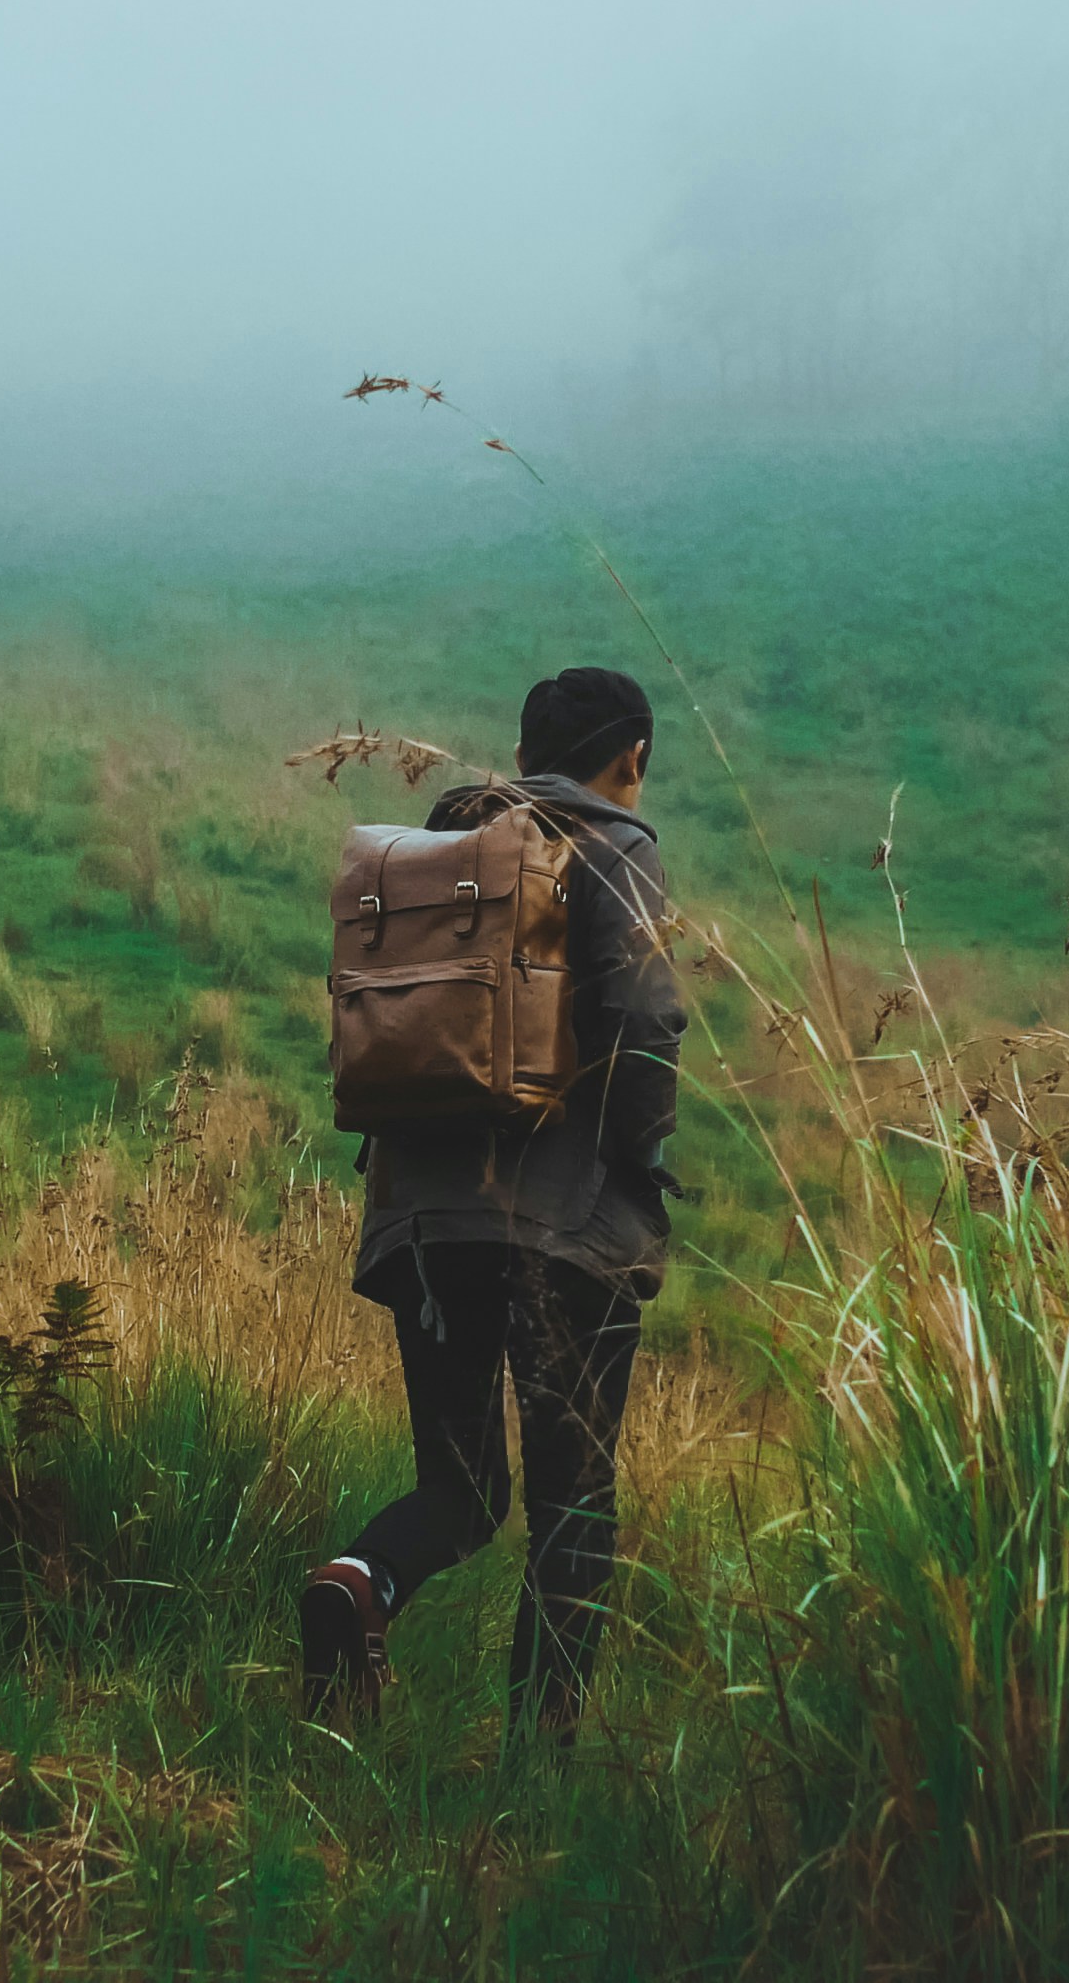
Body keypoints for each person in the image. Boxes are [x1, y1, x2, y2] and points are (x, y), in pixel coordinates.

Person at [300, 665, 687, 1738]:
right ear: (634, 758)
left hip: (421, 1220)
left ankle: (355, 1580)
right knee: (573, 1504)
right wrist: (643, 1164)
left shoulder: (439, 856)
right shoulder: (618, 846)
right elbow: (647, 1021)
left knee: (463, 1492)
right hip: (566, 1236)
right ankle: (539, 1769)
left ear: (522, 756)